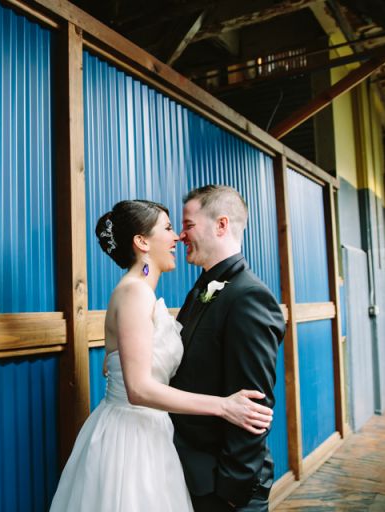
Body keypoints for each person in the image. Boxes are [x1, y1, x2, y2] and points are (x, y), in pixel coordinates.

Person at [50, 199, 274, 511]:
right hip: (130, 442)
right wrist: (223, 406)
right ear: (142, 242)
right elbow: (139, 389)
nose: (177, 237)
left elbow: (111, 366)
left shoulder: (141, 290)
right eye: (168, 228)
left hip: (155, 435)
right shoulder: (134, 293)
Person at [170, 186, 285, 511]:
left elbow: (254, 405)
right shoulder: (201, 291)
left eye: (189, 225)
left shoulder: (249, 297)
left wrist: (232, 491)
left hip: (224, 487)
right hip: (192, 473)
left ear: (221, 225)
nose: (181, 235)